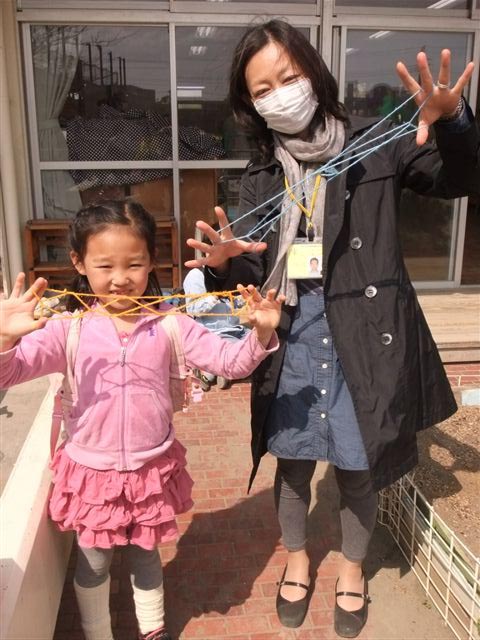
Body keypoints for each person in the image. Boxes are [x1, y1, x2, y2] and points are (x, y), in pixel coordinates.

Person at [185, 20, 479, 638]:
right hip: (293, 334)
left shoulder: (376, 145)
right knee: (293, 466)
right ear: (251, 105)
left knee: (357, 465)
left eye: (288, 77)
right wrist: (224, 266)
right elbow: (255, 268)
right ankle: (297, 560)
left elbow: (460, 179)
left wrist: (453, 121)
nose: (280, 95)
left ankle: (350, 568)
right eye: (262, 89)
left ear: (314, 75)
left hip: (364, 335)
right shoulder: (261, 176)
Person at [0, 199, 283, 640]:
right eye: (104, 265)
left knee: (146, 556)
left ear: (151, 261)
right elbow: (10, 373)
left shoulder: (171, 325)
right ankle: (99, 633)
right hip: (92, 475)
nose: (120, 278)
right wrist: (4, 340)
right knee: (94, 564)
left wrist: (261, 332)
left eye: (133, 264)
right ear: (79, 262)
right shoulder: (67, 329)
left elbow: (230, 362)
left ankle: (153, 630)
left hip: (152, 470)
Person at [183, 267, 249, 389]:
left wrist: (245, 298)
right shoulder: (196, 275)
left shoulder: (230, 274)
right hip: (212, 333)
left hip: (235, 330)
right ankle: (213, 371)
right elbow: (192, 309)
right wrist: (216, 295)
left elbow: (234, 304)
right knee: (239, 354)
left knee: (260, 341)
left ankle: (213, 370)